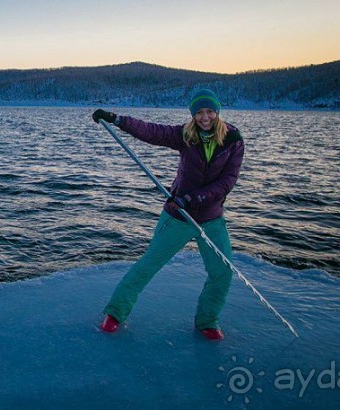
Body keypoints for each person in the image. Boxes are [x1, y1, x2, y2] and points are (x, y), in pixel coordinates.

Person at [92, 88, 244, 341]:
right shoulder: (185, 135)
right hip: (178, 217)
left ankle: (207, 320)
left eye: (209, 111)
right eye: (199, 113)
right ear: (193, 115)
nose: (204, 117)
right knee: (147, 266)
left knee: (222, 272)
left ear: (217, 111)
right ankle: (115, 314)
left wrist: (193, 198)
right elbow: (152, 131)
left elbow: (228, 181)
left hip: (211, 218)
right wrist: (117, 119)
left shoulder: (233, 140)